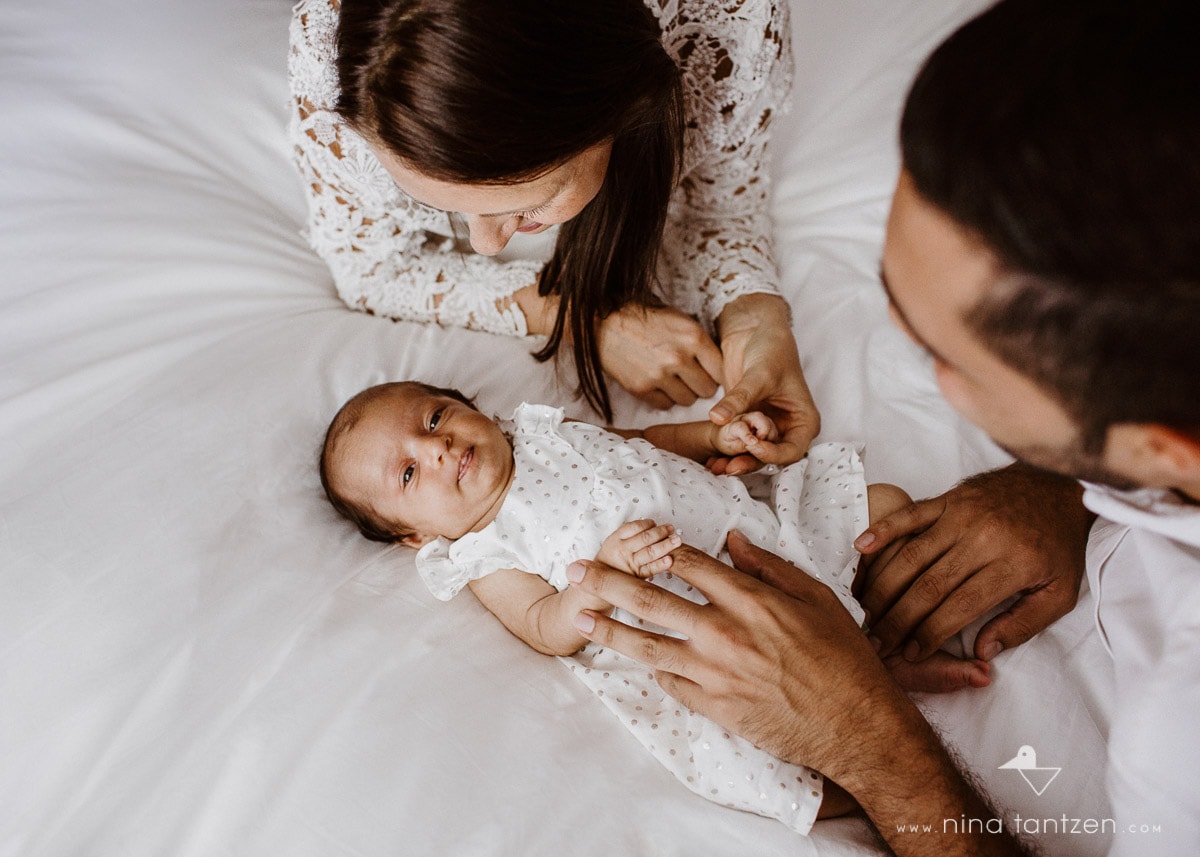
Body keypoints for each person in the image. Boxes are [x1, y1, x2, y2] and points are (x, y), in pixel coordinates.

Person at [560, 1, 1200, 855]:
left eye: (944, 356)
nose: (901, 347)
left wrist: (865, 734)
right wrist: (1071, 484)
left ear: (1164, 446)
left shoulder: (1180, 739)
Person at [318, 380, 983, 832]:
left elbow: (647, 442)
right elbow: (544, 626)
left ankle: (885, 638)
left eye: (434, 417)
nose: (435, 448)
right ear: (417, 536)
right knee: (766, 766)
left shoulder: (543, 431)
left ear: (472, 408)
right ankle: (872, 782)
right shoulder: (481, 552)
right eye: (409, 474)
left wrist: (714, 439)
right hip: (698, 627)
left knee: (884, 506)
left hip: (753, 536)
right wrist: (596, 575)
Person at [288, 0, 818, 470]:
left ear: (619, 108)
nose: (486, 246)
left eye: (530, 206)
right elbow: (369, 267)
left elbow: (722, 205)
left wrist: (758, 318)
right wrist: (579, 317)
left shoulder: (731, 21)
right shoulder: (341, 58)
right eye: (439, 203)